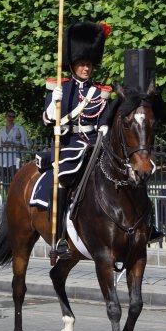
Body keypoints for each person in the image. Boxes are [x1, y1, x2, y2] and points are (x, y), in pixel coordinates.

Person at [43, 21, 116, 259]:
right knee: (63, 179)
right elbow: (47, 120)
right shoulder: (60, 87)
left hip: (97, 144)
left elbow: (105, 117)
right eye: (82, 64)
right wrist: (55, 104)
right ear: (73, 65)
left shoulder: (100, 92)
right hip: (71, 145)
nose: (86, 68)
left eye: (89, 64)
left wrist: (105, 128)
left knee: (127, 172)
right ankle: (60, 236)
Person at [0, 110, 29, 192]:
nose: (11, 118)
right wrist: (4, 145)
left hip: (14, 159)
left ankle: (15, 198)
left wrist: (13, 144)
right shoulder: (2, 130)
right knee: (5, 182)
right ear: (6, 117)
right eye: (9, 116)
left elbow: (26, 145)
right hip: (3, 159)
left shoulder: (19, 129)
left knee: (15, 181)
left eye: (13, 117)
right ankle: (8, 199)